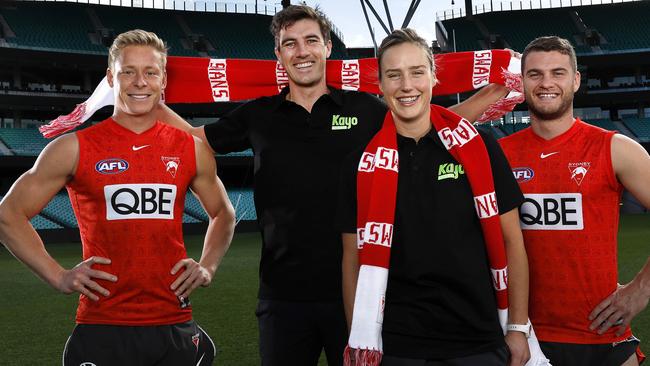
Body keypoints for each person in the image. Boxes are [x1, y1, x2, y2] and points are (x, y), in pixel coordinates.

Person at [156, 5, 512, 365]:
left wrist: (493, 93)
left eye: (311, 40)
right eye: (290, 43)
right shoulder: (257, 114)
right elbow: (191, 140)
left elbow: (428, 125)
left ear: (327, 47)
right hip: (284, 296)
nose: (302, 51)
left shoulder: (366, 109)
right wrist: (148, 98)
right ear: (278, 54)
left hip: (361, 292)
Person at [0, 29, 235, 365]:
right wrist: (58, 275)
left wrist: (208, 266)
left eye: (150, 72)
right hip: (102, 326)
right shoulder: (73, 148)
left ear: (163, 79)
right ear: (112, 78)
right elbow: (8, 215)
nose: (140, 82)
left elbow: (223, 214)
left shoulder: (192, 150)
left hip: (174, 323)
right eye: (128, 71)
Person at [337, 28, 530, 366]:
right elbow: (352, 259)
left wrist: (517, 328)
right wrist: (359, 338)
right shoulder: (359, 161)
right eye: (393, 75)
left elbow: (513, 241)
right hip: (397, 346)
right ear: (380, 85)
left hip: (478, 340)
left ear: (433, 77)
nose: (406, 85)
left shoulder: (479, 147)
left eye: (416, 72)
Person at [499, 36, 650, 366]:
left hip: (600, 333)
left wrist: (641, 289)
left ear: (576, 80)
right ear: (521, 82)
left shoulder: (614, 148)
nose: (546, 83)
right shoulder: (498, 156)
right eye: (535, 74)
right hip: (523, 337)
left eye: (558, 72)